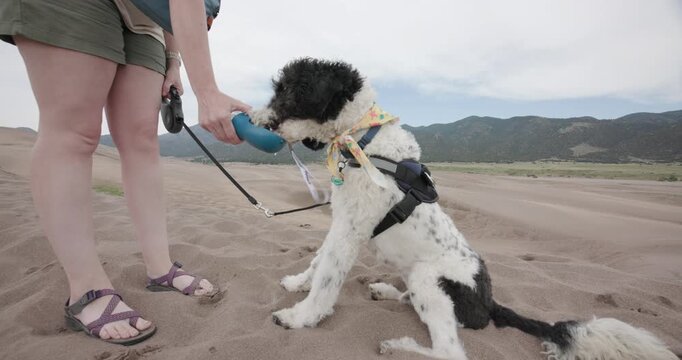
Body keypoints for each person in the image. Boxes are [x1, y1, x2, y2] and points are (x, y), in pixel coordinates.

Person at [0, 0, 250, 344]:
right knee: (75, 132)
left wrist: (173, 60)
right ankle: (86, 290)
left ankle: (160, 268)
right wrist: (206, 92)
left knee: (142, 139)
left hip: (144, 16)